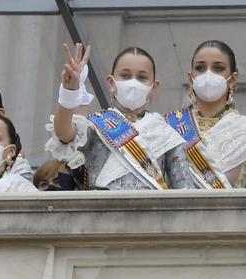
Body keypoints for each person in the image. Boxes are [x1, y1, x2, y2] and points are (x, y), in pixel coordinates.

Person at [49, 44, 192, 190]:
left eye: (142, 77)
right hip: (101, 210)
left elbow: (184, 188)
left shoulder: (166, 131)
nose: (133, 82)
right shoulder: (96, 124)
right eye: (125, 75)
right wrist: (69, 93)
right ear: (111, 82)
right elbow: (64, 133)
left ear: (154, 87)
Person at [168, 39, 246, 188]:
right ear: (190, 78)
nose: (208, 74)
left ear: (233, 79)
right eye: (200, 68)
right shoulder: (168, 126)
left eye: (218, 68)